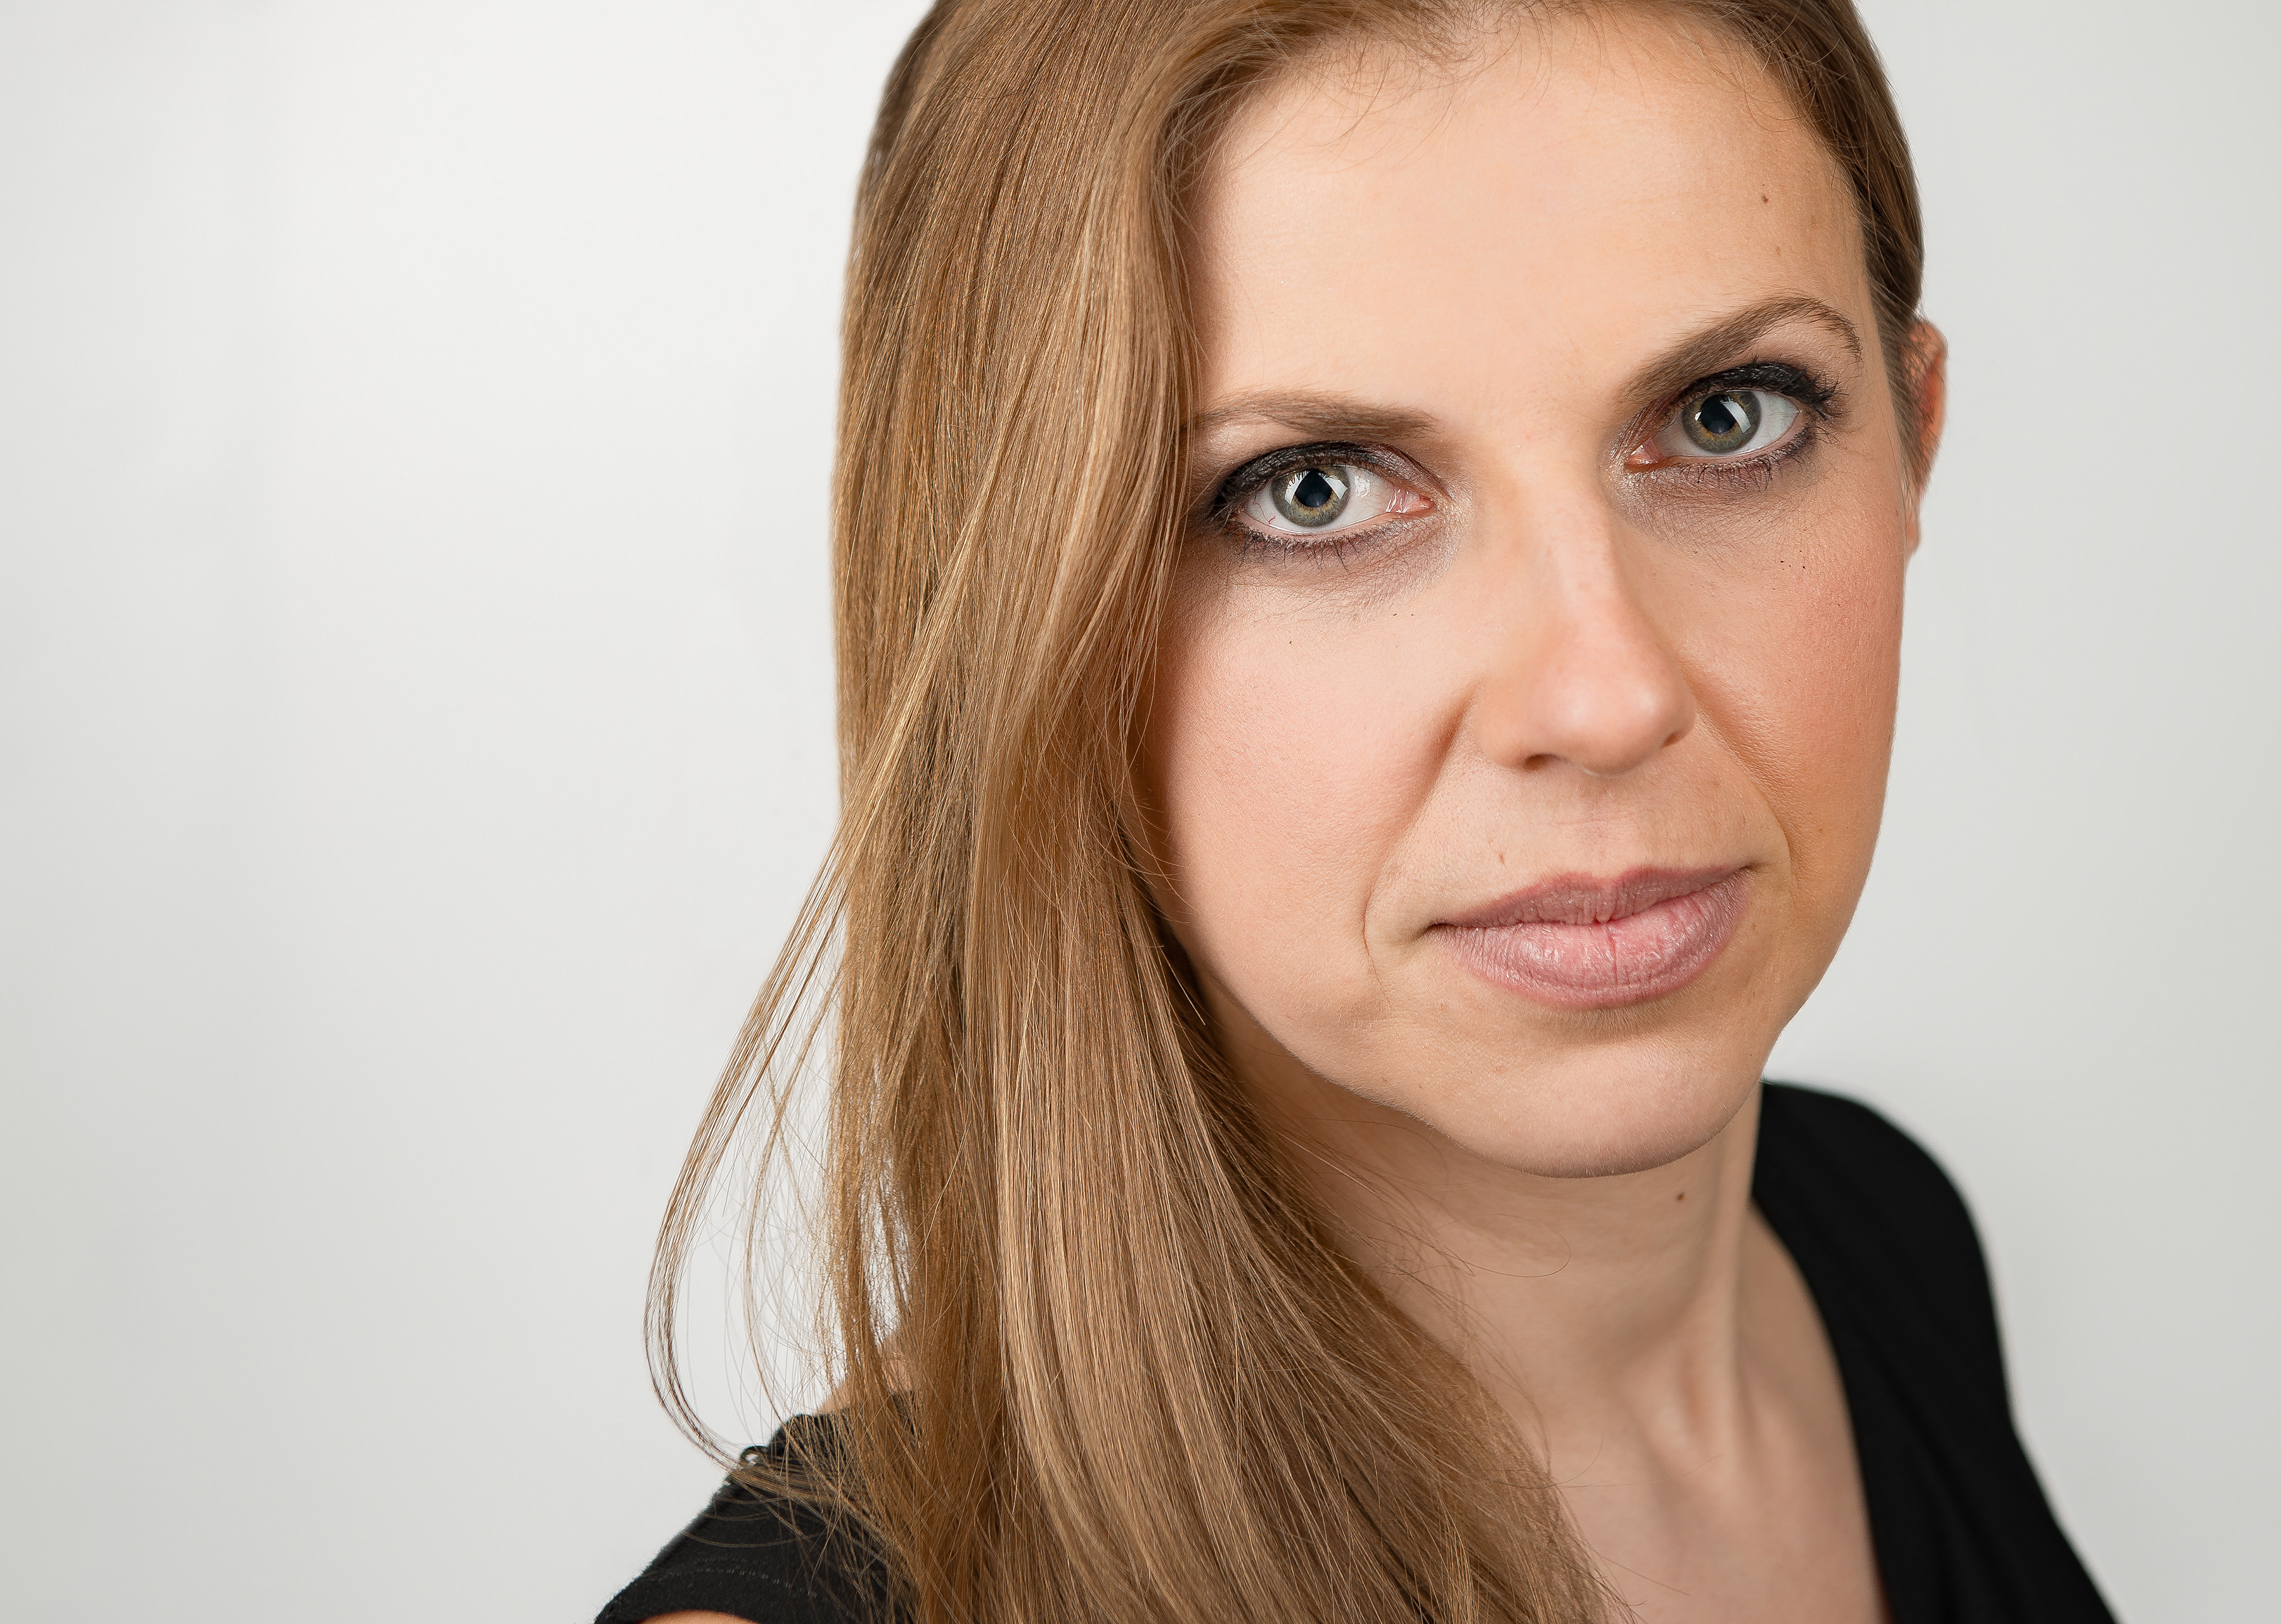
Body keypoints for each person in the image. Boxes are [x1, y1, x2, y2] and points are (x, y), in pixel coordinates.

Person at [602, 1, 2116, 1620]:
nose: (1605, 697)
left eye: (1725, 416)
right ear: (1013, 613)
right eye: (1310, 489)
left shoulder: (1879, 1230)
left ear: (1914, 439)